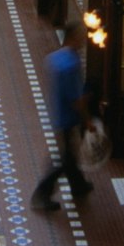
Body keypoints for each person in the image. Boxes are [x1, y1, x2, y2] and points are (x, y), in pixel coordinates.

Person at [32, 23, 94, 211]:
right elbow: (76, 100)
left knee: (70, 155)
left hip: (58, 114)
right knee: (64, 159)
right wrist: (87, 120)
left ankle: (78, 184)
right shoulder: (71, 65)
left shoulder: (56, 58)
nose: (83, 41)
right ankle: (42, 194)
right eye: (80, 37)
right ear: (72, 38)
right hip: (68, 118)